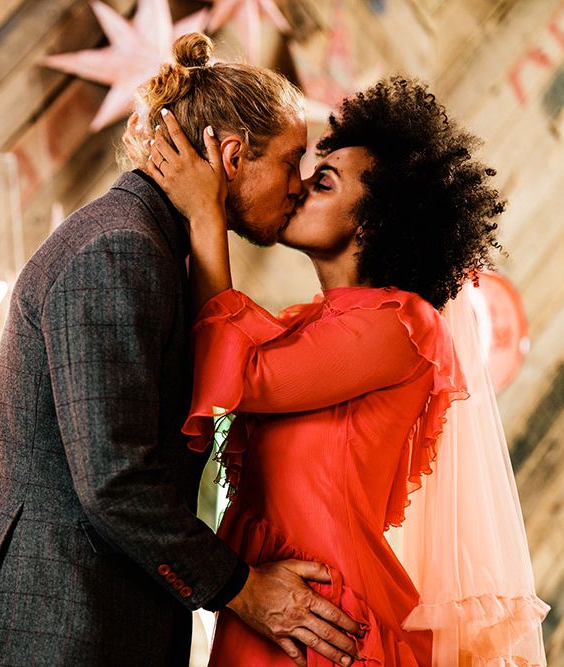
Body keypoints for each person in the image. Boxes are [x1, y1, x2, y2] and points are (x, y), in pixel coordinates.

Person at [0, 34, 365, 667]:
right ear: (235, 156)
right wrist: (245, 592)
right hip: (61, 624)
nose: (297, 185)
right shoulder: (121, 250)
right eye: (291, 160)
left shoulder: (153, 244)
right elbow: (115, 480)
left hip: (91, 618)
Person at [144, 77, 549, 664]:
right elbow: (222, 353)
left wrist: (205, 213)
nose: (300, 186)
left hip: (330, 622)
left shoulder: (401, 326)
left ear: (375, 222)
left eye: (324, 180)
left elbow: (245, 375)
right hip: (274, 605)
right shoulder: (307, 326)